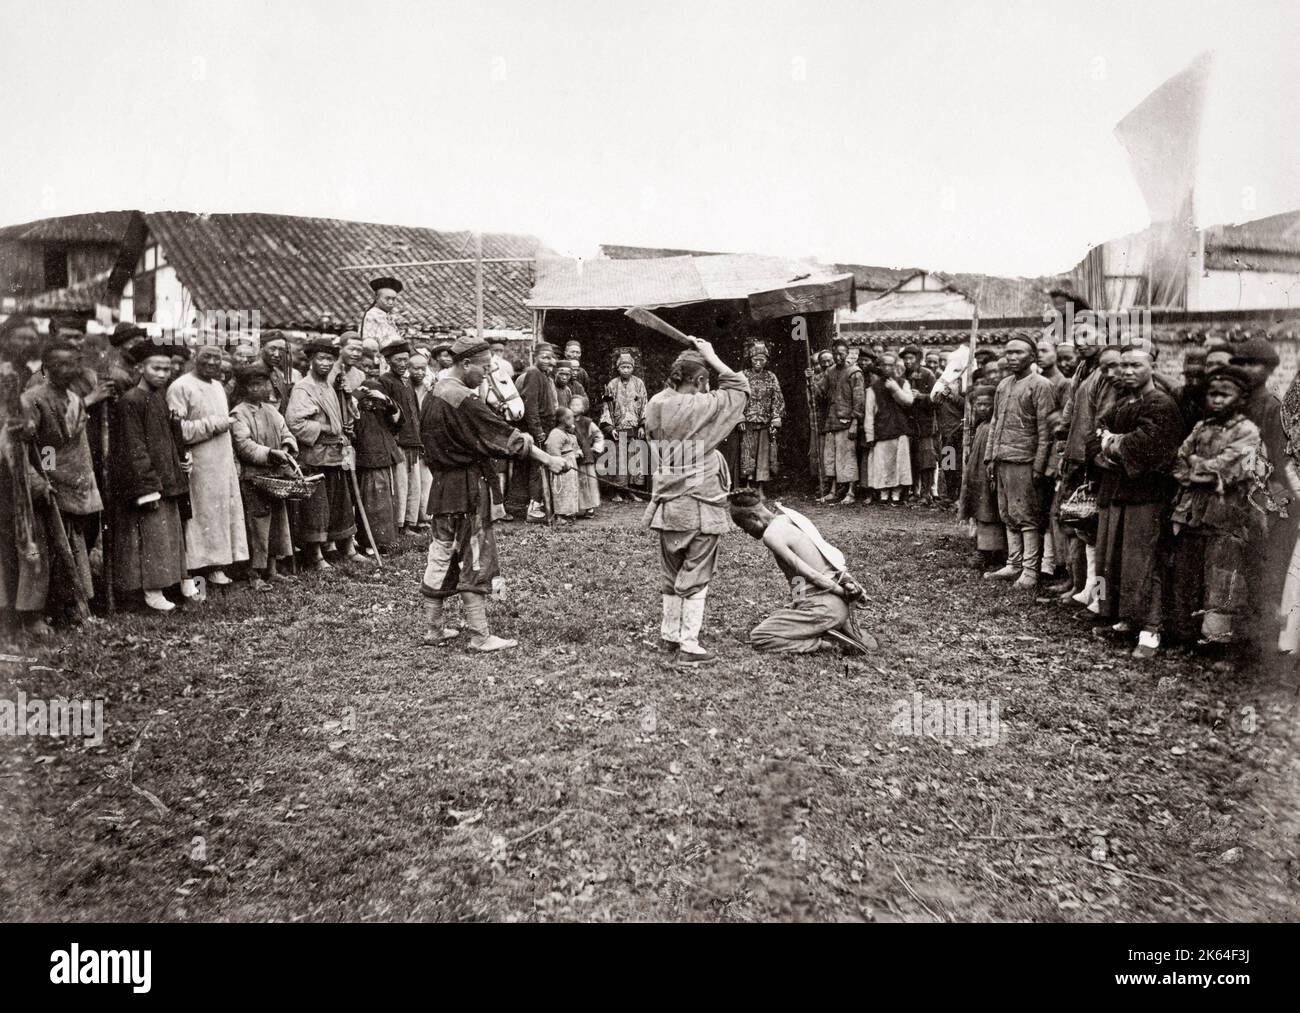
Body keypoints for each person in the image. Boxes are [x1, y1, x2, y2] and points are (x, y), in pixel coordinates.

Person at [417, 334, 572, 651]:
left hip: (442, 488)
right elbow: (503, 435)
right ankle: (480, 636)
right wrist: (549, 459)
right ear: (466, 363)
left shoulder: (433, 394)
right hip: (467, 490)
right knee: (475, 557)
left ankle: (433, 630)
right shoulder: (465, 399)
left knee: (440, 554)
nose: (486, 375)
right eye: (484, 368)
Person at [643, 340, 749, 666]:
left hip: (668, 502)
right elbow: (740, 387)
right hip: (700, 503)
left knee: (671, 571)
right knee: (697, 572)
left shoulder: (656, 403)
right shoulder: (703, 405)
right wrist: (714, 356)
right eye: (705, 380)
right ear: (701, 380)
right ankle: (689, 645)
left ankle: (669, 637)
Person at [1089, 345, 1185, 659]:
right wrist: (1104, 447)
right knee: (1112, 559)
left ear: (1152, 367)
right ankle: (1124, 618)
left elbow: (1147, 445)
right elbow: (1095, 435)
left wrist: (1110, 443)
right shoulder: (1121, 402)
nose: (1127, 371)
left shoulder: (1161, 404)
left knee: (1143, 562)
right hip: (1117, 490)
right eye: (1123, 365)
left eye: (1135, 366)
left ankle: (1151, 629)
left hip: (1146, 494)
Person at [1168, 366, 1267, 654]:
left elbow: (1229, 467)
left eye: (1225, 395)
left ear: (1241, 398)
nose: (1217, 400)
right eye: (1213, 394)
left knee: (1221, 578)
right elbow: (1179, 459)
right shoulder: (1201, 427)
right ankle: (1184, 634)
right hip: (1192, 511)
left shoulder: (1247, 431)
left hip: (1226, 513)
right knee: (1188, 573)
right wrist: (1197, 471)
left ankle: (1216, 641)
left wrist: (1198, 468)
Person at [729, 490, 876, 654]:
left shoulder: (771, 536)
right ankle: (838, 626)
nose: (745, 532)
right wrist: (851, 591)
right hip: (834, 604)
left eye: (743, 526)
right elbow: (823, 560)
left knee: (760, 636)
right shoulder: (788, 517)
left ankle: (831, 644)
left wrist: (845, 594)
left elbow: (813, 575)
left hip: (825, 607)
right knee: (783, 615)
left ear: (753, 517)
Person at [108, 343, 193, 612]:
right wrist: (146, 485)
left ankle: (170, 584)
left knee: (167, 535)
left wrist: (180, 461)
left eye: (167, 369)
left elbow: (165, 438)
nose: (162, 374)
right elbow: (134, 447)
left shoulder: (158, 397)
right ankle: (151, 590)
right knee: (149, 538)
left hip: (166, 478)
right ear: (140, 368)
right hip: (147, 483)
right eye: (156, 368)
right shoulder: (131, 401)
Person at [20, 341, 102, 621]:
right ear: (47, 367)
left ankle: (74, 604)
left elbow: (77, 443)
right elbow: (38, 447)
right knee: (54, 547)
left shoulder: (76, 399)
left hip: (79, 480)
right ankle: (49, 610)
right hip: (52, 483)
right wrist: (46, 476)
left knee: (79, 542)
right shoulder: (33, 399)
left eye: (72, 363)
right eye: (59, 365)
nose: (67, 370)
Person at [168, 345, 248, 587]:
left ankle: (217, 566)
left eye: (217, 357)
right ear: (195, 358)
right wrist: (214, 424)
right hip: (198, 463)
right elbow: (178, 430)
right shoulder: (180, 387)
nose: (212, 362)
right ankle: (195, 569)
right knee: (201, 515)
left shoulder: (217, 387)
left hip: (222, 462)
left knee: (220, 513)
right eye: (207, 357)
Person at [983, 335, 1056, 589]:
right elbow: (995, 423)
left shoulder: (1040, 385)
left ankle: (1030, 570)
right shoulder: (1004, 384)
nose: (1012, 358)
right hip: (1002, 459)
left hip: (1024, 459)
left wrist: (1039, 465)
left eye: (1018, 353)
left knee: (1027, 515)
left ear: (1032, 357)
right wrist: (990, 456)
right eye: (1009, 353)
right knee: (1007, 513)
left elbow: (1046, 430)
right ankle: (1013, 563)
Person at [286, 338, 360, 569]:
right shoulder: (303, 387)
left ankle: (347, 547)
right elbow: (295, 422)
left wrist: (346, 409)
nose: (326, 363)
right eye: (321, 358)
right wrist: (327, 428)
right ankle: (316, 554)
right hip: (316, 453)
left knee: (341, 501)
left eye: (330, 359)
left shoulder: (330, 385)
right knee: (317, 505)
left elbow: (344, 415)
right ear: (311, 361)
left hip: (336, 453)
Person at [230, 363, 298, 591]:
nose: (262, 388)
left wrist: (287, 448)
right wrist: (270, 453)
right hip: (254, 478)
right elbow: (244, 445)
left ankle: (272, 569)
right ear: (246, 388)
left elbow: (286, 431)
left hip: (275, 476)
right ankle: (254, 573)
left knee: (277, 524)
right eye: (255, 385)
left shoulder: (271, 410)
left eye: (264, 383)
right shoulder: (239, 413)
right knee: (257, 526)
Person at [352, 348, 403, 554]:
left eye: (375, 398)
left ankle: (387, 540)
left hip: (386, 459)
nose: (372, 403)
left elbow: (399, 420)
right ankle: (372, 542)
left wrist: (385, 400)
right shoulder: (358, 413)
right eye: (368, 399)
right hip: (370, 461)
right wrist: (358, 397)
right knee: (373, 504)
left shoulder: (383, 411)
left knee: (387, 503)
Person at [378, 340, 426, 535]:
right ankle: (399, 525)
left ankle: (410, 522)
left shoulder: (407, 382)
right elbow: (386, 413)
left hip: (413, 441)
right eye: (398, 360)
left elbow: (415, 410)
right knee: (400, 485)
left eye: (406, 359)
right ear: (388, 360)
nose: (403, 363)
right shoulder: (385, 382)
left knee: (414, 485)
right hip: (398, 441)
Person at [958, 386, 1006, 572]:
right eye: (979, 404)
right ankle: (985, 549)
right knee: (980, 510)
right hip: (976, 477)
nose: (983, 408)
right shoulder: (980, 427)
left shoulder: (993, 428)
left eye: (987, 404)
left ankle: (987, 551)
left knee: (989, 510)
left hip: (988, 476)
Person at [812, 339, 864, 505]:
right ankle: (833, 490)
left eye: (841, 353)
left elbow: (859, 400)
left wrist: (855, 422)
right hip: (831, 420)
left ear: (847, 353)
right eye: (835, 353)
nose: (838, 356)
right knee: (831, 457)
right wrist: (810, 380)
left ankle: (850, 491)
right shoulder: (830, 371)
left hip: (847, 420)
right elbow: (819, 391)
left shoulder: (854, 372)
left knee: (848, 457)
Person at [862, 351, 915, 504]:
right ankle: (884, 494)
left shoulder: (903, 383)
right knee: (883, 463)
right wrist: (870, 435)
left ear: (895, 366)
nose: (887, 368)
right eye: (884, 365)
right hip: (882, 429)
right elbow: (869, 414)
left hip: (900, 429)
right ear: (879, 366)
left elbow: (909, 401)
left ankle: (896, 494)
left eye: (890, 365)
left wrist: (894, 389)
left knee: (899, 463)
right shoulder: (873, 388)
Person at [732, 342, 785, 495]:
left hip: (765, 421)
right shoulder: (743, 376)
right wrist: (739, 418)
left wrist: (776, 418)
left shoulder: (771, 377)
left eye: (762, 360)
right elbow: (736, 398)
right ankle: (748, 484)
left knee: (763, 455)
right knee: (747, 452)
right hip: (747, 421)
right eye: (755, 359)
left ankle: (760, 487)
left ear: (766, 360)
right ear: (750, 359)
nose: (758, 362)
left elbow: (777, 398)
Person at [517, 342, 561, 522]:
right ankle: (534, 509)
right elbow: (531, 406)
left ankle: (539, 505)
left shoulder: (545, 376)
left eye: (550, 358)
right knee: (537, 468)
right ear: (534, 357)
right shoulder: (533, 374)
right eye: (544, 357)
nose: (548, 361)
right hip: (538, 429)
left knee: (541, 467)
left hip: (546, 427)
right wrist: (538, 431)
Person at [602, 351, 649, 503]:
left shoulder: (639, 384)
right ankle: (617, 492)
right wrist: (610, 428)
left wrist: (642, 425)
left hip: (634, 428)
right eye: (623, 367)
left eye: (629, 367)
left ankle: (631, 491)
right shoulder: (612, 385)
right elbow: (607, 407)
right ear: (618, 368)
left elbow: (644, 405)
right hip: (618, 427)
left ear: (633, 368)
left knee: (633, 459)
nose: (626, 370)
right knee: (619, 460)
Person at [900, 344, 937, 503]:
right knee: (913, 459)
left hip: (926, 424)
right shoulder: (902, 376)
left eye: (911, 358)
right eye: (905, 359)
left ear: (918, 359)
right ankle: (914, 491)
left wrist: (921, 396)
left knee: (926, 460)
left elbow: (937, 399)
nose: (908, 362)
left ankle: (926, 493)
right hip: (909, 424)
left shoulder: (928, 375)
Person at [544, 407, 582, 523]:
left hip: (570, 468)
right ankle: (560, 515)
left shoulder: (567, 433)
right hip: (562, 469)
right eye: (570, 418)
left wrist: (576, 454)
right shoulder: (556, 434)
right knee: (561, 491)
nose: (573, 420)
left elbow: (572, 447)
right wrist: (560, 462)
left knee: (570, 489)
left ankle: (569, 513)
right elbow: (553, 451)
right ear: (562, 420)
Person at [571, 394, 604, 517]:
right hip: (573, 458)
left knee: (588, 482)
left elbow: (598, 435)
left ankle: (590, 508)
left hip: (586, 457)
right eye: (572, 404)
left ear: (583, 407)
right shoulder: (566, 422)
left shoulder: (587, 422)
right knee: (577, 482)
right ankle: (576, 507)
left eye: (578, 404)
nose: (575, 407)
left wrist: (595, 449)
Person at [360, 276, 404, 346]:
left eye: (393, 299)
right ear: (377, 298)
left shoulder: (388, 316)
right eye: (387, 298)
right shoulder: (372, 315)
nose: (391, 302)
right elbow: (370, 340)